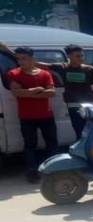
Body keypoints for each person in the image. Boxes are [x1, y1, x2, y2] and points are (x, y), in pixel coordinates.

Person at [6, 47, 58, 183]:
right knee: (30, 145)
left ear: (32, 59)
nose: (20, 62)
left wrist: (28, 93)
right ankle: (32, 172)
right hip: (27, 116)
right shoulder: (14, 73)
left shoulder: (45, 73)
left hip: (46, 115)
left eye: (24, 58)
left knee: (52, 143)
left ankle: (54, 170)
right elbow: (17, 93)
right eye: (18, 59)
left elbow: (51, 92)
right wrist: (37, 89)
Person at [32, 44, 93, 140]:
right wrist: (26, 59)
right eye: (77, 56)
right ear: (69, 56)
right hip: (73, 106)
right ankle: (81, 148)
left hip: (89, 105)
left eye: (82, 56)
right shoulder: (63, 67)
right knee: (79, 132)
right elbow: (43, 65)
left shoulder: (89, 69)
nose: (81, 58)